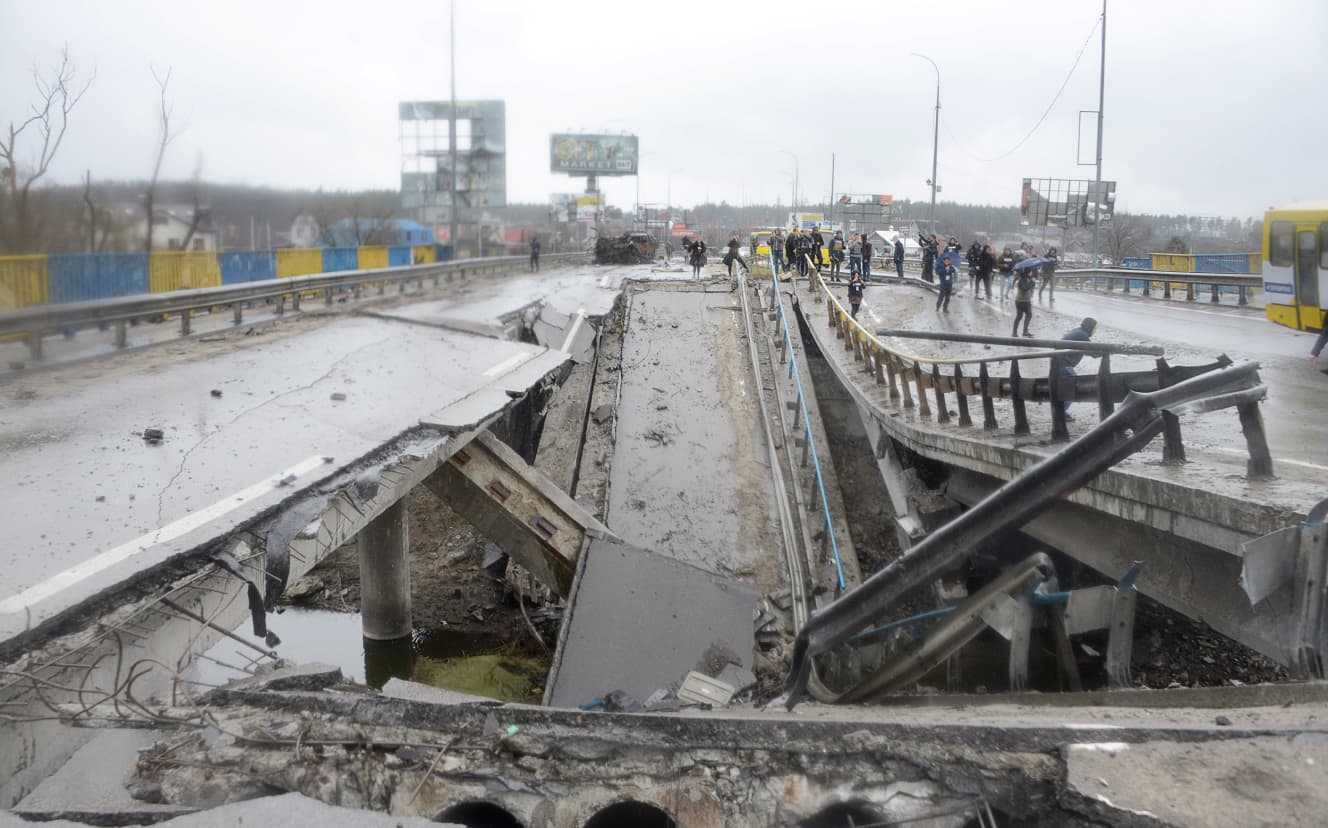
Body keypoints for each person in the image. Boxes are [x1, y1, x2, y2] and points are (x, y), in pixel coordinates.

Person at [1058, 317, 1098, 420]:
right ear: (1090, 327)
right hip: (1063, 364)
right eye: (1094, 328)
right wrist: (1110, 350)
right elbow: (1094, 353)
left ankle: (1061, 412)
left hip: (1059, 363)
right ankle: (1060, 413)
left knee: (1067, 388)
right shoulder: (1082, 335)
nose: (1095, 331)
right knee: (1074, 387)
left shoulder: (1078, 332)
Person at [1012, 265, 1037, 337]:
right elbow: (1025, 288)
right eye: (1031, 271)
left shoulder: (1025, 278)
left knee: (1024, 315)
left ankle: (1020, 332)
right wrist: (1032, 282)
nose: (1032, 273)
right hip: (1023, 301)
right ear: (1028, 272)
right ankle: (1020, 332)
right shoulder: (1023, 279)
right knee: (1024, 315)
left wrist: (1032, 281)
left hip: (1022, 300)